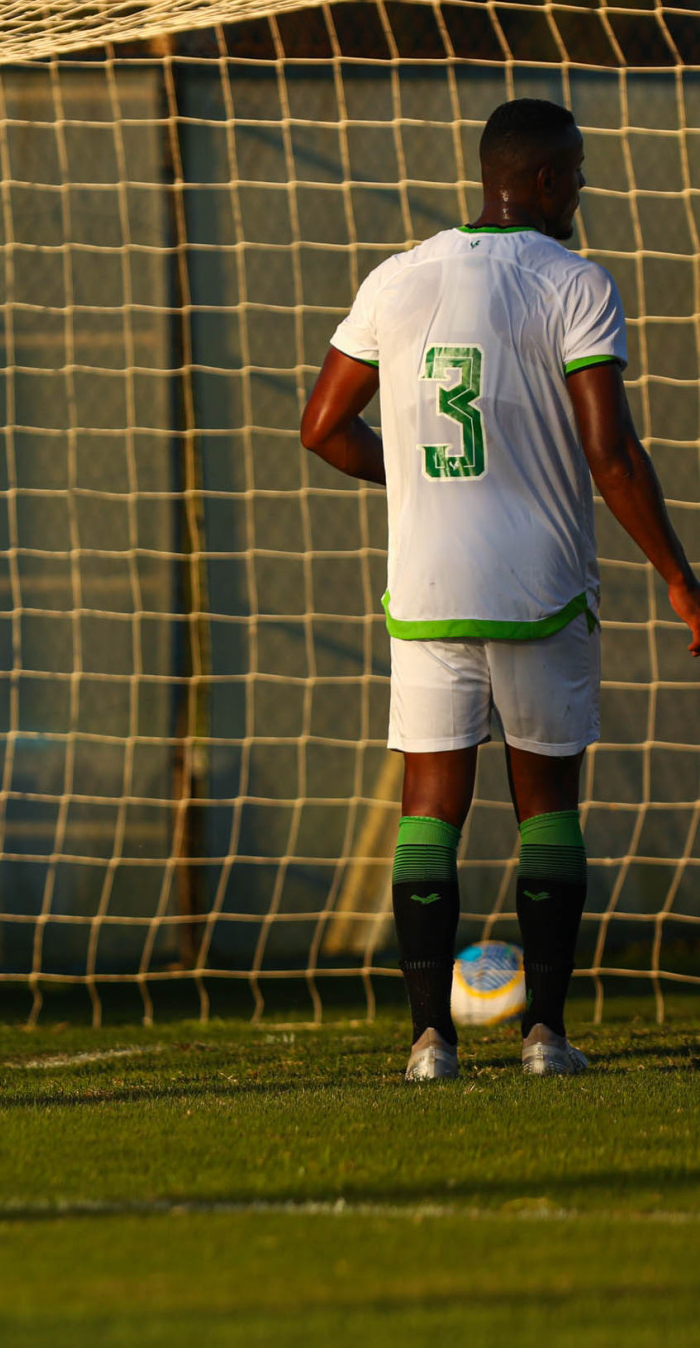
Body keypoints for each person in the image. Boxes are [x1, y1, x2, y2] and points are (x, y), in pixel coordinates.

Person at [300, 98, 700, 1081]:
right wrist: (680, 580)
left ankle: (426, 1043)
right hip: (540, 586)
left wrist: (425, 479)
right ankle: (544, 1038)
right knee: (545, 808)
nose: (578, 190)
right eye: (569, 173)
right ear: (530, 181)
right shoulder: (574, 284)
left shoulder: (394, 279)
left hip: (428, 586)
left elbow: (317, 427)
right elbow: (606, 453)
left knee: (428, 806)